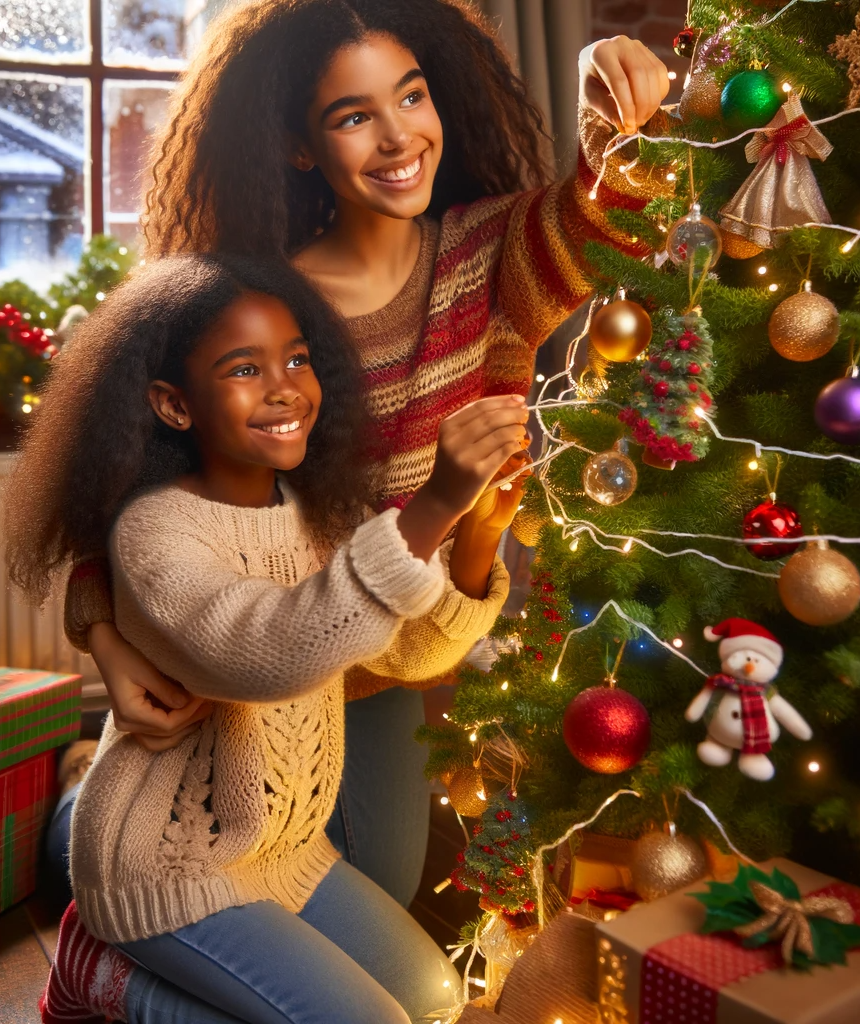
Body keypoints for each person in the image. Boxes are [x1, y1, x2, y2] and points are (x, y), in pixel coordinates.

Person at [64, 0, 671, 907]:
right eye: (353, 117)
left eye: (411, 98)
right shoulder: (253, 304)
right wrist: (105, 638)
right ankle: (72, 830)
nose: (397, 139)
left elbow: (612, 211)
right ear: (302, 148)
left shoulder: (491, 260)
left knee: (380, 900)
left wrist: (619, 101)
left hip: (378, 681)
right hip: (234, 677)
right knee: (183, 886)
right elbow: (129, 492)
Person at [5, 254, 526, 1023]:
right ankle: (103, 976)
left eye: (298, 359)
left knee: (436, 995)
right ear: (175, 406)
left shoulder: (317, 515)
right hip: (164, 866)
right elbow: (267, 650)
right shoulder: (156, 531)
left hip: (283, 853)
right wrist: (433, 504)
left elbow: (413, 654)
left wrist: (477, 536)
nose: (284, 386)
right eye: (245, 368)